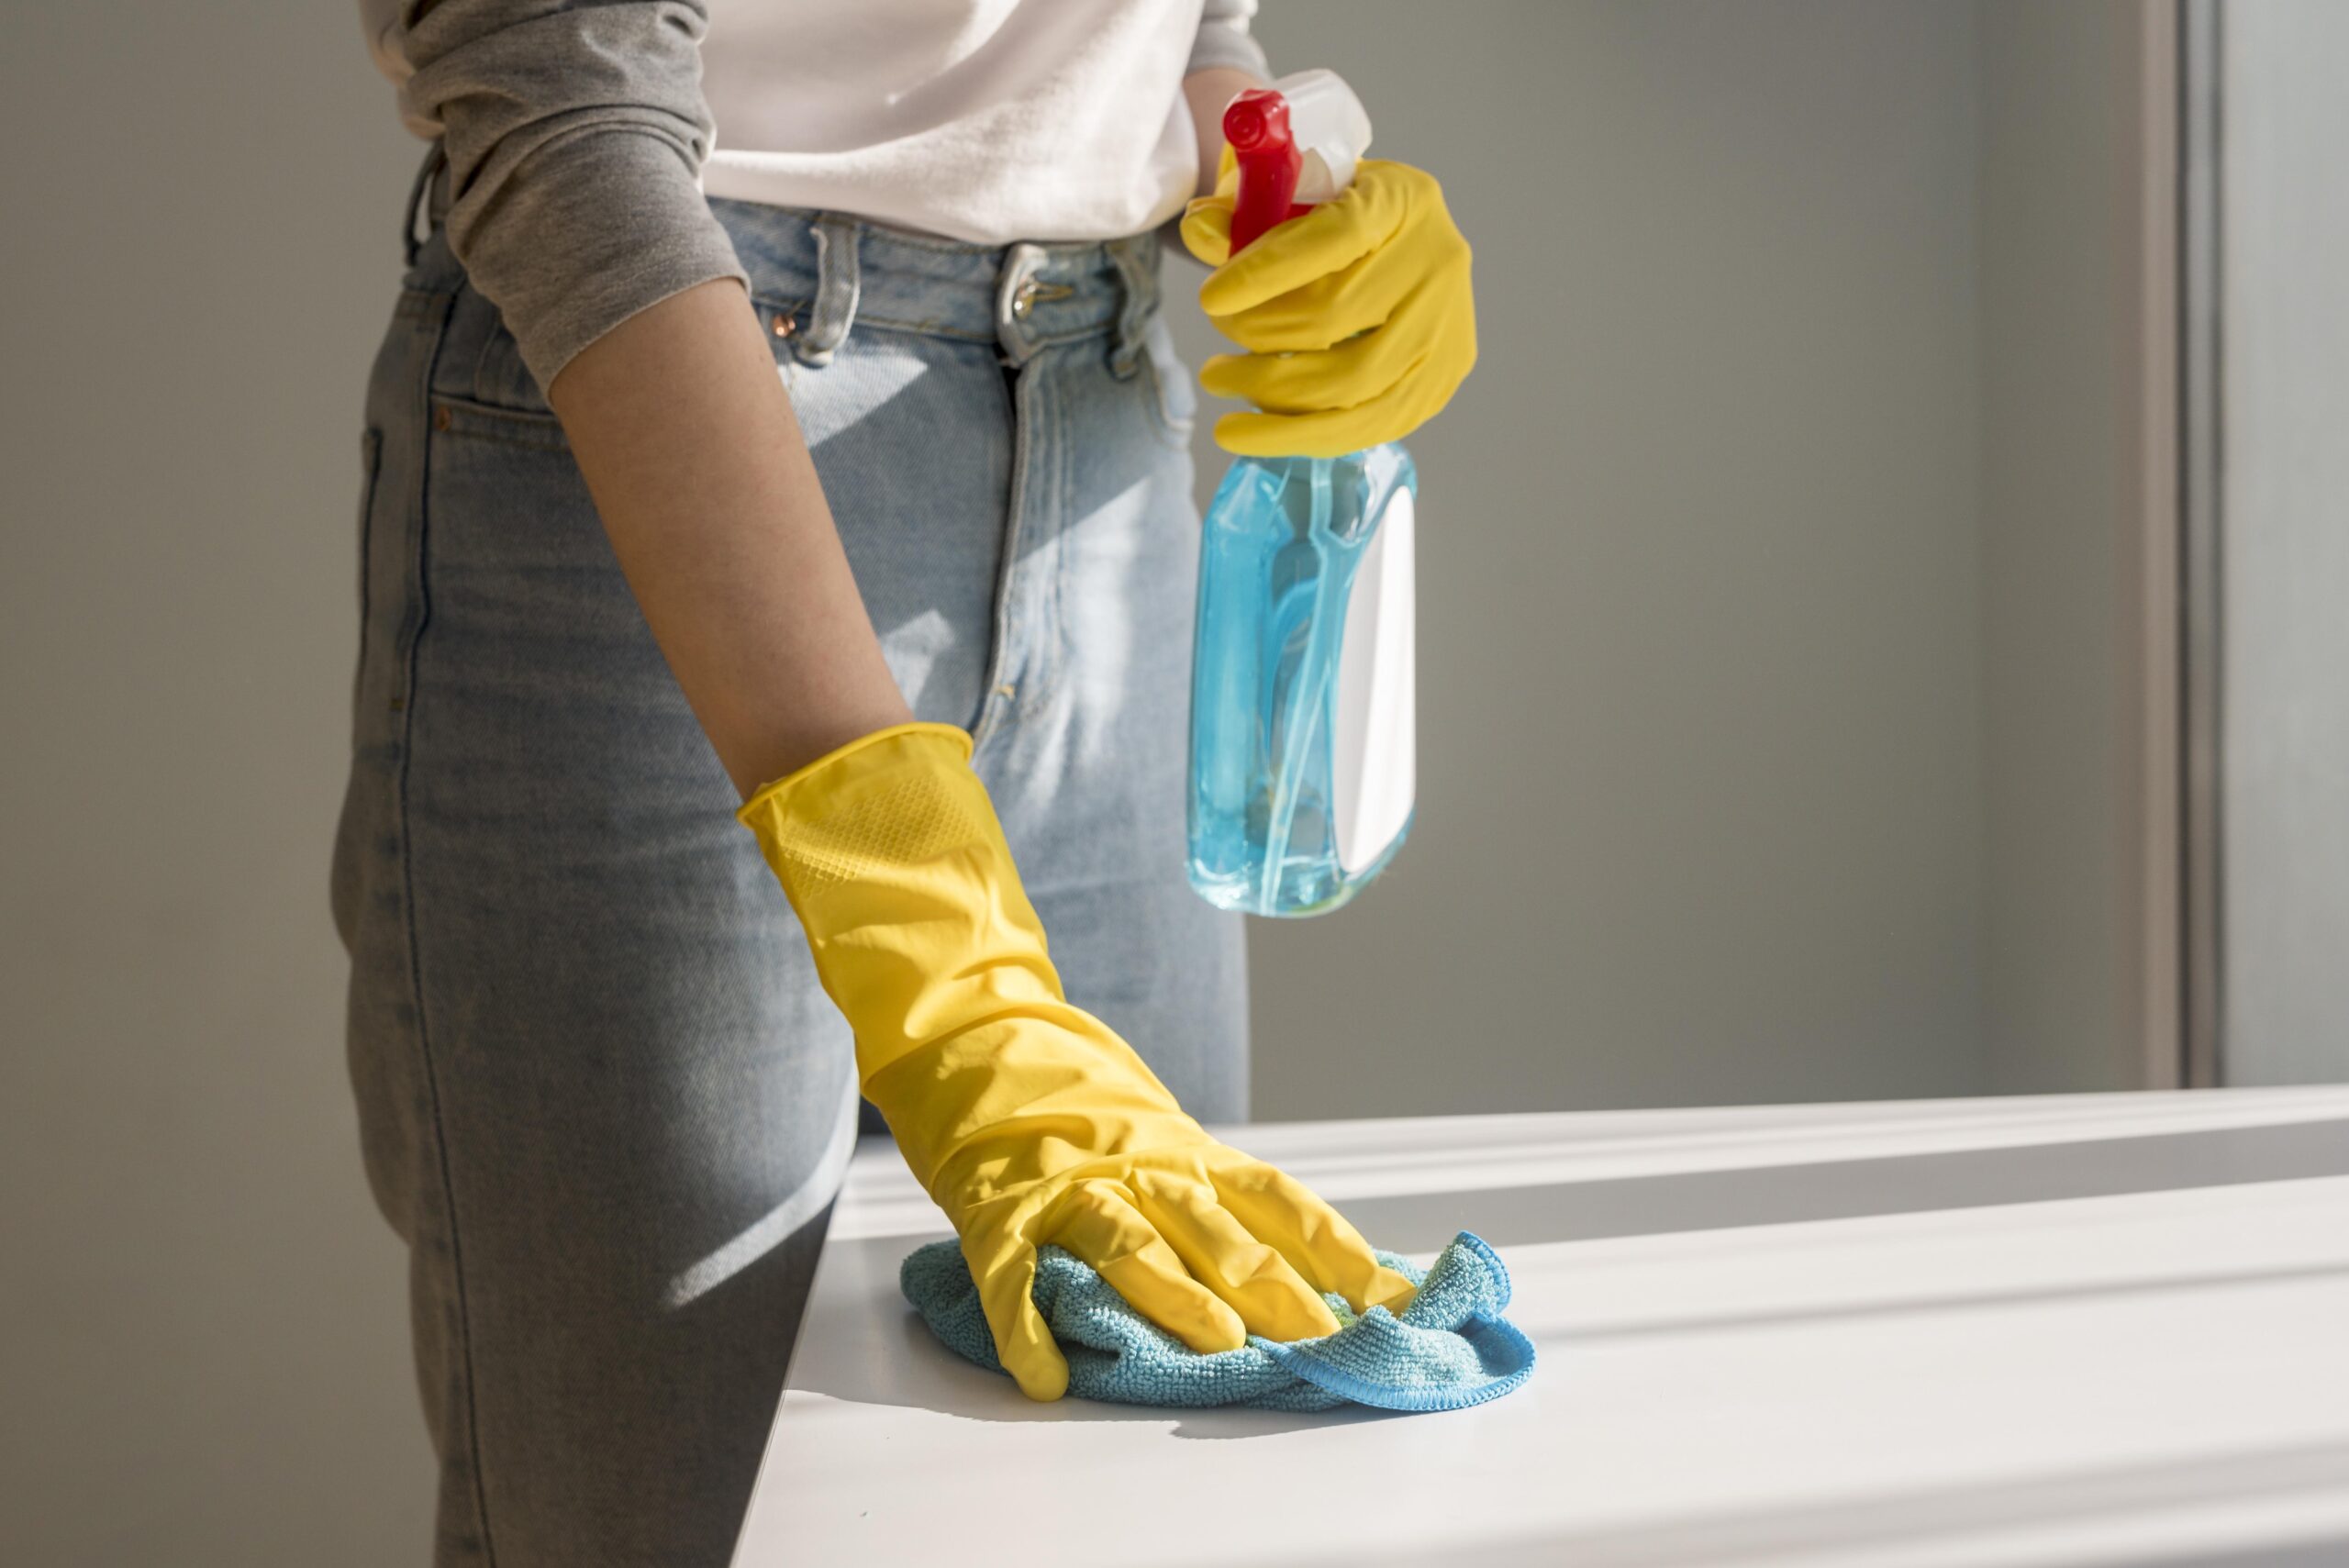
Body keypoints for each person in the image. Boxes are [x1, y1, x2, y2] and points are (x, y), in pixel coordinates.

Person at [336, 3, 1475, 1563]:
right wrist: (922, 921)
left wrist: (1262, 158)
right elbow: (560, 99)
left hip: (1108, 435)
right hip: (668, 418)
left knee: (1146, 1450)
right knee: (653, 1528)